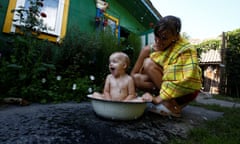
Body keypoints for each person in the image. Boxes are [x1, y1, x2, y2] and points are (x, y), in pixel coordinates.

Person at [131, 15, 202, 117]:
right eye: (157, 36)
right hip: (163, 86)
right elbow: (133, 74)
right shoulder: (148, 50)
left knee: (148, 63)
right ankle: (169, 103)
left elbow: (187, 78)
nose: (159, 41)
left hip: (184, 91)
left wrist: (157, 99)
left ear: (176, 36)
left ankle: (171, 104)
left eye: (164, 38)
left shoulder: (184, 49)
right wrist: (129, 95)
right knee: (136, 78)